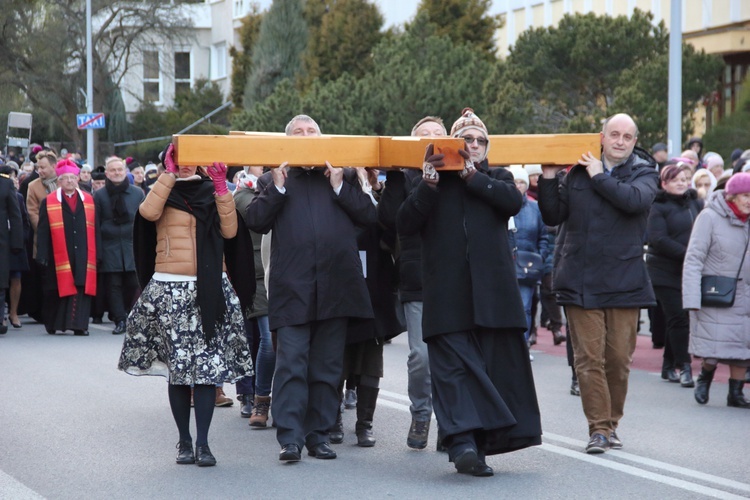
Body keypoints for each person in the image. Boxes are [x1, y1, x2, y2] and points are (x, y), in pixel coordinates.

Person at [397, 108, 542, 477]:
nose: (473, 145)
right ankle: (461, 443)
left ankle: (479, 447)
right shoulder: (427, 180)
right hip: (446, 293)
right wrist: (428, 185)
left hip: (493, 295)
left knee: (488, 371)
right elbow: (405, 224)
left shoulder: (498, 177)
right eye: (466, 139)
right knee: (452, 371)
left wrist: (472, 177)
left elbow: (512, 203)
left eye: (479, 140)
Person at [245, 114, 376, 463]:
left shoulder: (342, 175)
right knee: (291, 365)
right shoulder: (276, 179)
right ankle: (290, 438)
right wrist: (278, 186)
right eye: (298, 133)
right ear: (288, 141)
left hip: (337, 287)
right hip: (292, 287)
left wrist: (339, 186)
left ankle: (318, 436)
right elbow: (256, 220)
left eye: (312, 132)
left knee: (327, 368)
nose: (306, 136)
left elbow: (369, 217)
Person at [118, 144, 254, 466]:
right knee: (179, 374)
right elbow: (147, 214)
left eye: (192, 160)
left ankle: (204, 444)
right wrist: (167, 175)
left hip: (210, 289)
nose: (186, 166)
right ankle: (183, 441)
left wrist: (222, 188)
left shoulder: (212, 190)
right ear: (170, 161)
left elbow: (231, 231)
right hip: (170, 289)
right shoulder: (162, 191)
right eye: (179, 160)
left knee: (206, 372)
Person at [537, 113, 659, 454]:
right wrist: (548, 179)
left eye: (627, 137)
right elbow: (552, 216)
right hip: (580, 278)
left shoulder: (645, 173)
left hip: (625, 281)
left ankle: (612, 422)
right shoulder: (576, 172)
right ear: (601, 137)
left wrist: (599, 176)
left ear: (635, 141)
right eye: (614, 134)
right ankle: (599, 429)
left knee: (618, 360)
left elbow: (633, 201)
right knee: (589, 360)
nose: (620, 141)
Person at [377, 116, 445, 450]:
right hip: (417, 277)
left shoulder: (460, 174)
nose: (430, 140)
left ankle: (452, 423)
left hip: (456, 279)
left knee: (455, 355)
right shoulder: (402, 178)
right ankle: (421, 414)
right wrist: (393, 175)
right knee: (421, 356)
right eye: (423, 136)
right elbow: (390, 220)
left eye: (437, 135)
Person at [682, 173, 750, 409]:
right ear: (732, 195)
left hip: (747, 295)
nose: (749, 200)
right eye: (745, 195)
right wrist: (691, 297)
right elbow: (694, 259)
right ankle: (705, 377)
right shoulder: (709, 217)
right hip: (717, 294)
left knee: (744, 346)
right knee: (714, 345)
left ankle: (736, 393)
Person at [646, 164, 703, 387]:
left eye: (684, 178)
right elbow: (658, 240)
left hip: (688, 272)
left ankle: (668, 365)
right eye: (676, 179)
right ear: (664, 183)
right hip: (663, 271)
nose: (681, 182)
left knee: (679, 318)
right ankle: (685, 367)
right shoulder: (658, 206)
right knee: (679, 317)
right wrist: (690, 255)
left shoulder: (695, 203)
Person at [35, 159, 98, 336]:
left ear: (78, 179)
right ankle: (54, 324)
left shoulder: (89, 201)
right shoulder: (49, 202)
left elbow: (96, 229)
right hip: (59, 253)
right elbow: (43, 231)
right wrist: (42, 253)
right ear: (59, 181)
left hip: (83, 254)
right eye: (65, 178)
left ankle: (79, 325)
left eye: (72, 177)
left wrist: (98, 253)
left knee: (80, 287)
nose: (69, 181)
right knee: (56, 288)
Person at [233, 166, 275, 424]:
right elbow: (255, 214)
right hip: (258, 276)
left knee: (278, 342)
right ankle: (257, 398)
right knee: (264, 341)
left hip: (287, 274)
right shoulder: (242, 194)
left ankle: (280, 399)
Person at [94, 156, 145, 335]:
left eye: (120, 170)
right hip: (109, 246)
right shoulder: (99, 196)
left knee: (133, 283)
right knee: (113, 285)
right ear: (107, 173)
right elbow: (96, 224)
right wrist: (98, 251)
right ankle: (120, 319)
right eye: (113, 170)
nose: (117, 173)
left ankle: (130, 313)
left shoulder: (137, 193)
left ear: (125, 172)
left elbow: (143, 221)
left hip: (132, 245)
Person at [507, 165, 549, 352]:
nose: (519, 185)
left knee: (524, 307)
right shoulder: (501, 205)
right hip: (505, 264)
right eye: (515, 181)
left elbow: (544, 236)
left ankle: (521, 347)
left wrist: (540, 256)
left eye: (522, 182)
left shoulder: (535, 208)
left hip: (527, 266)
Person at [0, 165, 30, 329]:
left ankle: (3, 318)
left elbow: (16, 215)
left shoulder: (5, 184)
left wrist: (17, 244)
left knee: (2, 282)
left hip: (3, 241)